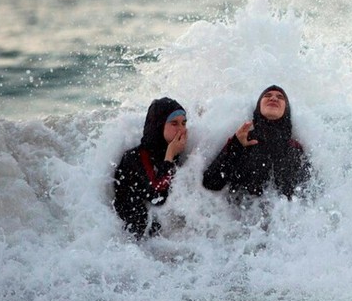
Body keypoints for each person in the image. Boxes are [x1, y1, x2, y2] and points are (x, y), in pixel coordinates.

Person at [202, 85, 311, 228]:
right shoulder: (242, 139)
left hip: (283, 232)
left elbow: (308, 194)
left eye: (280, 97)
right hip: (240, 230)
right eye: (267, 95)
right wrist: (236, 145)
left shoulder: (295, 148)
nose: (273, 98)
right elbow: (211, 182)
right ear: (258, 106)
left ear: (287, 110)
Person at [113, 97, 188, 240]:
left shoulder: (169, 152)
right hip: (129, 239)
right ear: (159, 125)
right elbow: (157, 196)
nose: (182, 130)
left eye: (184, 123)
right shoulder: (135, 157)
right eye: (174, 123)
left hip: (153, 236)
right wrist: (171, 155)